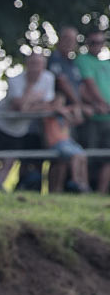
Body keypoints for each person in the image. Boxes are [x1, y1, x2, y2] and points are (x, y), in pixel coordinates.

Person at [0, 53, 57, 188]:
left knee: (9, 161)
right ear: (27, 64)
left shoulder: (48, 78)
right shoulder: (15, 80)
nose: (36, 68)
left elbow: (48, 105)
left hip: (18, 130)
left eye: (39, 64)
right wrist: (31, 89)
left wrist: (28, 104)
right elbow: (19, 107)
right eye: (33, 64)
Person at [76, 29, 110, 193]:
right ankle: (86, 190)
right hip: (93, 118)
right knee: (89, 155)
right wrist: (102, 103)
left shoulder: (107, 63)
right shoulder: (82, 60)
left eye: (100, 42)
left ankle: (101, 193)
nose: (97, 45)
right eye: (93, 42)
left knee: (107, 157)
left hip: (107, 118)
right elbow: (87, 84)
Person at [44, 94, 90, 193]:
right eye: (58, 103)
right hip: (57, 143)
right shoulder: (49, 111)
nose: (60, 105)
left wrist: (75, 112)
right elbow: (57, 110)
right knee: (75, 156)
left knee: (82, 155)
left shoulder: (65, 112)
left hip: (68, 143)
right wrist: (67, 114)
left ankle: (84, 184)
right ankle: (75, 181)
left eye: (62, 103)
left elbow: (77, 115)